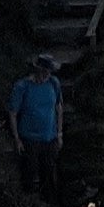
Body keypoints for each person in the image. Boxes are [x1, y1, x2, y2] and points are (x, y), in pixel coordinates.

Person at [9, 53, 64, 198]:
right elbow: (13, 113)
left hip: (50, 138)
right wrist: (17, 139)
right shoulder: (22, 86)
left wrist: (59, 133)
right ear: (37, 70)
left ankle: (51, 204)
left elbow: (58, 107)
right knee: (29, 174)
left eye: (49, 71)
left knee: (50, 175)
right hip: (29, 139)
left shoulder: (54, 83)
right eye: (44, 71)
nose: (47, 74)